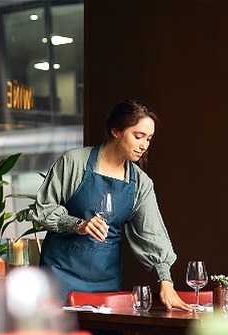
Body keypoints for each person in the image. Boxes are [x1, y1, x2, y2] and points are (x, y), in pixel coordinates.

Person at [33, 99, 191, 312]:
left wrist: (166, 281)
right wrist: (77, 224)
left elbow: (152, 233)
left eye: (149, 139)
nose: (144, 145)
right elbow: (43, 209)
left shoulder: (141, 183)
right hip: (60, 274)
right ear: (116, 131)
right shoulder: (74, 162)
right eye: (138, 136)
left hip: (105, 280)